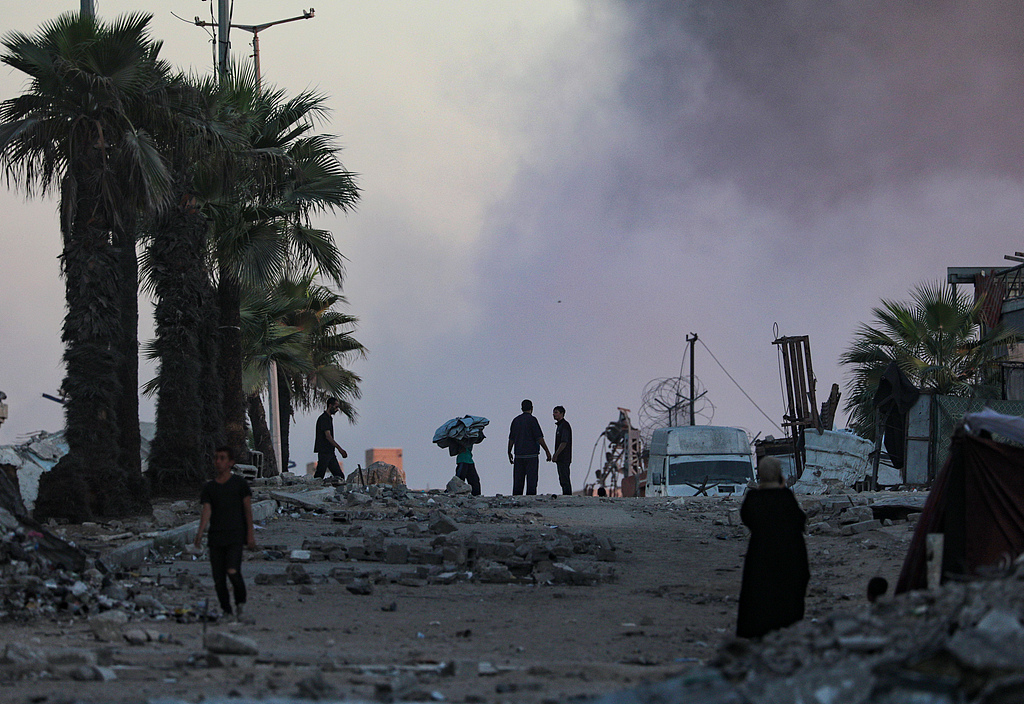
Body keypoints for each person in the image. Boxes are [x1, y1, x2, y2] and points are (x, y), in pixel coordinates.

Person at [736, 456, 809, 639]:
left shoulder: (753, 499)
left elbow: (748, 519)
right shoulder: (786, 497)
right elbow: (800, 521)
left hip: (760, 555)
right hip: (790, 555)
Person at [194, 446, 256, 621]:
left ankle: (240, 604)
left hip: (235, 535)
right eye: (216, 458)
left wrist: (250, 534)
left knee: (233, 571)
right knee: (218, 578)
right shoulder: (210, 487)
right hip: (216, 537)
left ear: (230, 462)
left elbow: (247, 510)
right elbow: (206, 510)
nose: (218, 461)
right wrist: (200, 532)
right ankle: (227, 610)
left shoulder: (240, 484)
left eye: (222, 458)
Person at [507, 399, 551, 495]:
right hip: (532, 455)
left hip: (519, 455)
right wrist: (547, 451)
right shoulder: (532, 420)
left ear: (521, 408)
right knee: (532, 481)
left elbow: (511, 439)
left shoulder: (516, 420)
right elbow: (539, 438)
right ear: (532, 408)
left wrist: (509, 451)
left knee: (518, 482)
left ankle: (516, 499)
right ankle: (530, 500)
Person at [314, 397, 348, 480]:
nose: (337, 409)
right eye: (336, 407)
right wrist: (340, 449)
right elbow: (328, 436)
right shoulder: (324, 418)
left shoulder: (328, 418)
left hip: (330, 452)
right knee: (319, 476)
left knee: (339, 476)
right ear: (330, 405)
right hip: (324, 451)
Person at [550, 405, 573, 495]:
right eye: (554, 412)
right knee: (562, 478)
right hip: (561, 458)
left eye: (556, 412)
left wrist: (556, 454)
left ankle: (567, 495)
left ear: (562, 414)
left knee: (565, 478)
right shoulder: (560, 426)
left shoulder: (564, 426)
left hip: (564, 457)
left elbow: (564, 442)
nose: (554, 414)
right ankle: (565, 493)